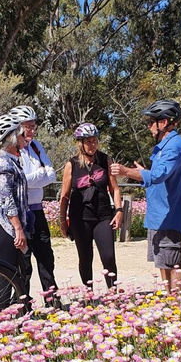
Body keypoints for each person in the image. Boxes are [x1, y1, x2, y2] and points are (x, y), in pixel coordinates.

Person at [110, 99, 181, 293]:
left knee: (172, 262)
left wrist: (126, 171)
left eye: (151, 122)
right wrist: (144, 172)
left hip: (168, 216)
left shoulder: (174, 146)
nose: (149, 126)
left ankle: (178, 303)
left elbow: (158, 175)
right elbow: (160, 176)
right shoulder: (166, 146)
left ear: (163, 123)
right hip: (159, 216)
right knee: (163, 261)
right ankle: (168, 298)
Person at [58, 123, 123, 289]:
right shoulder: (71, 164)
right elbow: (65, 196)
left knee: (108, 256)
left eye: (95, 141)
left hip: (103, 216)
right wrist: (63, 221)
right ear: (80, 143)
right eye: (88, 141)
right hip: (80, 217)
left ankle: (112, 292)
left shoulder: (104, 159)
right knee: (85, 258)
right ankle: (89, 293)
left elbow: (114, 188)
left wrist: (119, 210)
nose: (92, 145)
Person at [8, 105, 59, 304]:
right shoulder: (12, 150)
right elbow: (17, 182)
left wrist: (31, 179)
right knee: (23, 262)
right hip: (20, 213)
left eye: (33, 126)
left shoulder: (36, 146)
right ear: (17, 127)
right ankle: (22, 303)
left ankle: (52, 299)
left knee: (46, 257)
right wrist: (39, 175)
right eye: (27, 126)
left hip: (37, 211)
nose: (32, 130)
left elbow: (52, 175)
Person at [0, 113, 33, 308]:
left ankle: (19, 314)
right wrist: (18, 228)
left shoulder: (11, 161)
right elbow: (7, 199)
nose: (24, 138)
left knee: (19, 273)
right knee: (7, 276)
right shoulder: (3, 163)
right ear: (12, 137)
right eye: (21, 135)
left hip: (12, 225)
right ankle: (1, 318)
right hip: (6, 227)